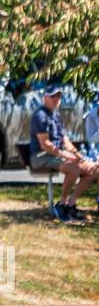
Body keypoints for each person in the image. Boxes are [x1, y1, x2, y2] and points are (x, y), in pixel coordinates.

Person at [29, 87, 99, 222]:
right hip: (40, 156)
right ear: (45, 98)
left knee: (94, 169)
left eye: (58, 96)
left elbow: (64, 139)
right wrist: (65, 155)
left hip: (56, 154)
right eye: (53, 96)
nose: (56, 99)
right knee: (73, 168)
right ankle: (61, 205)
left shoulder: (56, 115)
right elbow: (45, 144)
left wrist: (76, 154)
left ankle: (71, 205)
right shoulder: (40, 116)